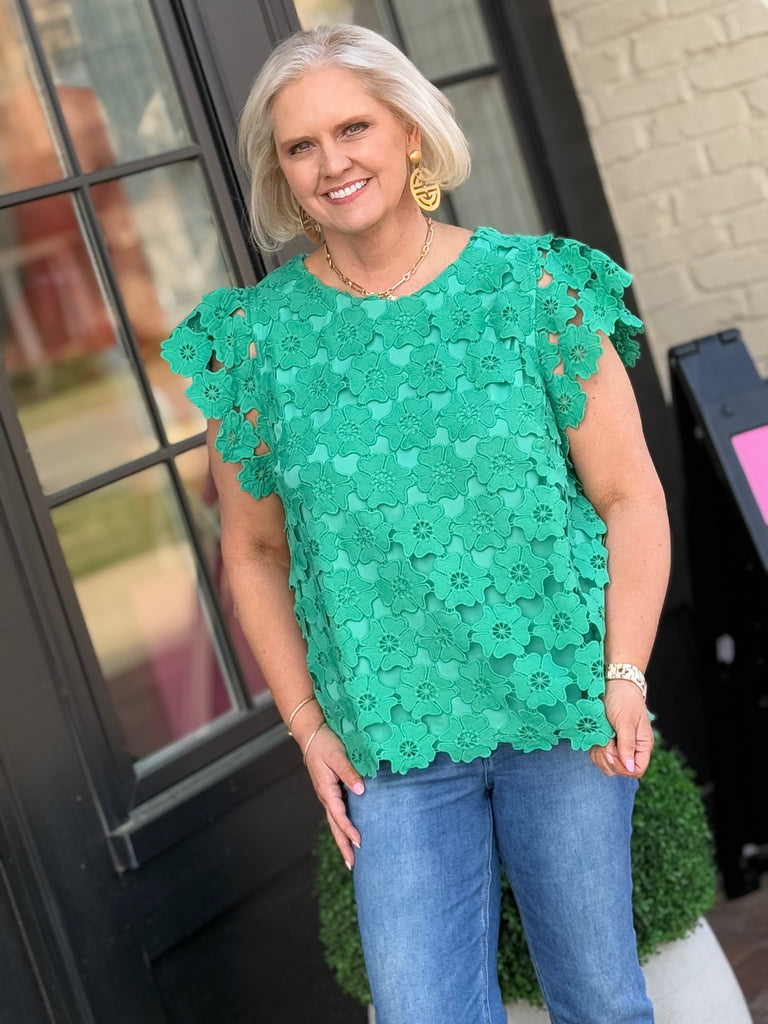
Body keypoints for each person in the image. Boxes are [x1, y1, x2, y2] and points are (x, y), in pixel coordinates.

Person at [161, 23, 670, 1024]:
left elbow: (629, 496)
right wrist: (307, 726)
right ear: (280, 172)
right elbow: (253, 553)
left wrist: (625, 673)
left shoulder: (534, 289)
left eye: (353, 128)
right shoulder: (256, 342)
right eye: (301, 146)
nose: (331, 163)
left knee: (602, 1002)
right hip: (388, 743)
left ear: (409, 131)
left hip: (561, 707)